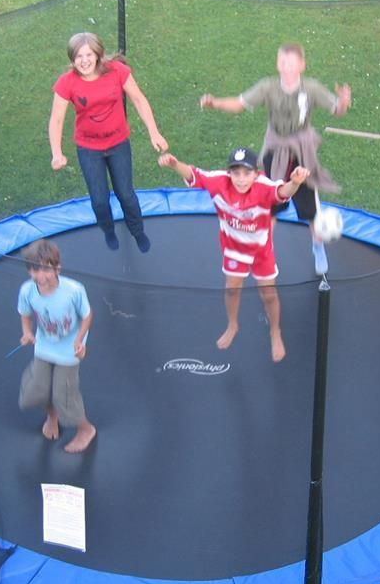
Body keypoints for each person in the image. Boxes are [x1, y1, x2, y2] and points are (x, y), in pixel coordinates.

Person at [199, 42, 351, 274]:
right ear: (277, 64)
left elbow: (337, 110)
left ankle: (317, 246)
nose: (287, 68)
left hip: (301, 151)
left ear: (302, 65)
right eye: (283, 63)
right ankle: (263, 249)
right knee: (268, 203)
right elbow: (240, 104)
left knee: (310, 207)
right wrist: (216, 102)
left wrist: (343, 102)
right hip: (274, 150)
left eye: (292, 64)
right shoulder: (268, 87)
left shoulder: (311, 88)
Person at [157, 147, 310, 363]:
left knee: (269, 294)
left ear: (256, 174)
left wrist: (295, 182)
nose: (241, 179)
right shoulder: (218, 182)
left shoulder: (264, 187)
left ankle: (275, 332)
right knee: (231, 289)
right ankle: (232, 325)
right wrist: (174, 164)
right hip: (233, 249)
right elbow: (194, 174)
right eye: (236, 173)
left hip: (260, 250)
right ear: (229, 173)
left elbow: (283, 193)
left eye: (246, 173)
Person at [49, 32, 168, 253]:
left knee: (126, 195)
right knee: (99, 201)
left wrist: (154, 133)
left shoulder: (116, 71)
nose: (84, 61)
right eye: (78, 57)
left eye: (88, 55)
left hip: (118, 143)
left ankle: (137, 231)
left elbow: (139, 100)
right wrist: (57, 152)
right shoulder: (67, 83)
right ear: (72, 60)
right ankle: (108, 230)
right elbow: (56, 120)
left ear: (98, 55)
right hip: (88, 148)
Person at [17, 239, 96, 453]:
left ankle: (85, 429)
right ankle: (52, 415)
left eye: (45, 269)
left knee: (64, 395)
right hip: (45, 346)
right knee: (36, 391)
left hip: (70, 349)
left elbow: (87, 316)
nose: (40, 276)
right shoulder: (27, 291)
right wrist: (26, 332)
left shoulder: (74, 291)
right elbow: (24, 314)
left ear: (57, 268)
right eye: (34, 269)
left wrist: (80, 340)